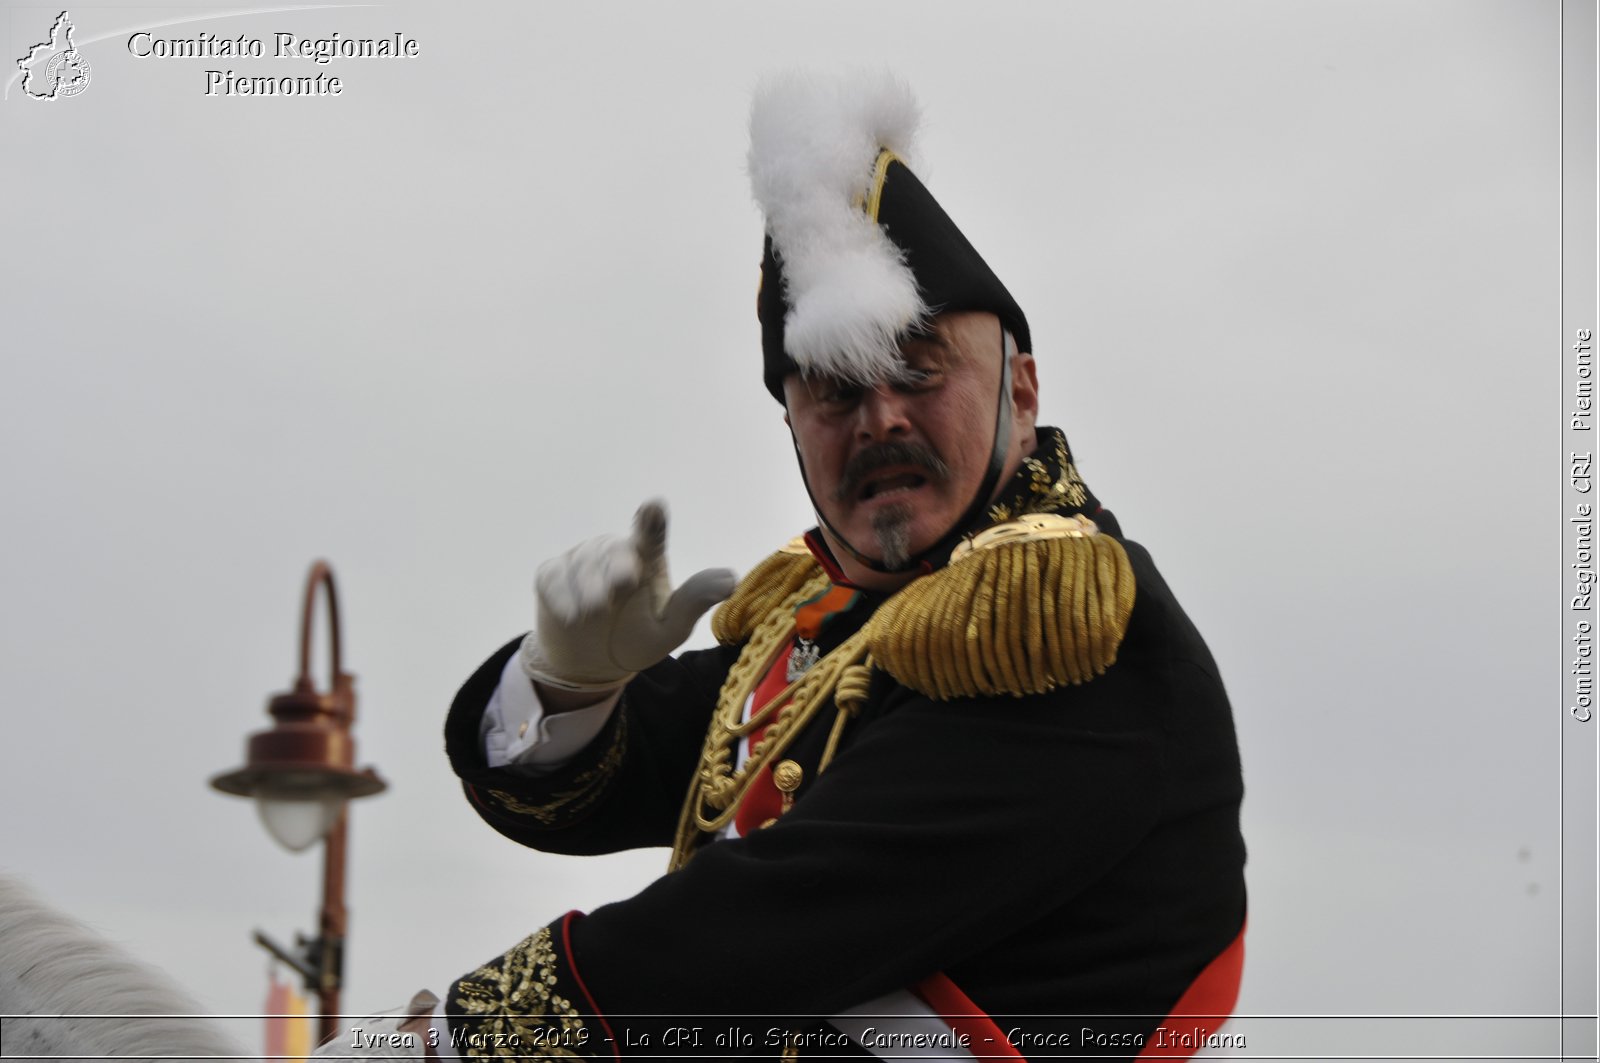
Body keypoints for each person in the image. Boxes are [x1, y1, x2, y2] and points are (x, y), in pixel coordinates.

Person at [349, 71, 1246, 1062]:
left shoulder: (1068, 626)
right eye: (831, 390)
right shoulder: (826, 626)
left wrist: (455, 1041)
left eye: (919, 363)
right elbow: (585, 795)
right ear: (791, 429)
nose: (880, 417)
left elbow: (777, 917)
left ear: (1021, 392)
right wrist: (567, 684)